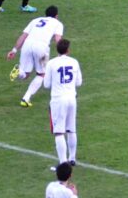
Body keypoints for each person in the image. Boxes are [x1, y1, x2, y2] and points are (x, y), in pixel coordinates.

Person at [7, 5, 64, 108]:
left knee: (26, 74)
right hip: (41, 47)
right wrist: (62, 54)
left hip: (27, 45)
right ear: (56, 16)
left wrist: (14, 50)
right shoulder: (57, 23)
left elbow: (23, 36)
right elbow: (58, 39)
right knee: (41, 74)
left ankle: (19, 71)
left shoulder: (35, 20)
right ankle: (26, 98)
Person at [44, 38, 83, 167]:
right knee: (71, 129)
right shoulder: (74, 62)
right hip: (72, 98)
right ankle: (72, 158)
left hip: (58, 99)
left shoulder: (51, 63)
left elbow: (46, 84)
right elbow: (79, 82)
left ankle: (63, 162)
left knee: (59, 131)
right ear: (68, 50)